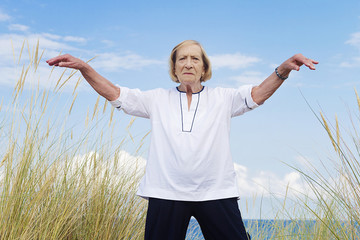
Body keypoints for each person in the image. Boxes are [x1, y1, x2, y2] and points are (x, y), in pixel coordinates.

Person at [47, 40, 318, 240]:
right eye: (182, 59)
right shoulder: (156, 99)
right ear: (174, 68)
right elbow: (116, 93)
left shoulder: (223, 98)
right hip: (166, 194)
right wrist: (84, 67)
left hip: (216, 193)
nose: (188, 63)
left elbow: (258, 94)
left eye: (195, 59)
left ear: (204, 68)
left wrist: (283, 70)